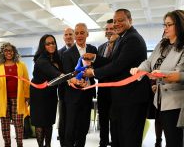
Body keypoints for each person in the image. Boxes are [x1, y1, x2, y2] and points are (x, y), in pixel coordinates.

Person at [83, 9, 151, 147]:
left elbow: (118, 66)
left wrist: (94, 72)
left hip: (131, 98)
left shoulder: (132, 39)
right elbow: (113, 62)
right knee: (119, 137)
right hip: (122, 98)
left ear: (130, 21)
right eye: (115, 21)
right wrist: (95, 58)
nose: (117, 23)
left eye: (121, 20)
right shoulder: (123, 38)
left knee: (129, 138)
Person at [130, 10, 184, 147]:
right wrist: (139, 70)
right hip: (160, 101)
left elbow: (180, 74)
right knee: (167, 138)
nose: (165, 28)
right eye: (164, 24)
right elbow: (149, 62)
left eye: (169, 25)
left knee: (174, 141)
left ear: (180, 25)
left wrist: (162, 74)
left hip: (176, 103)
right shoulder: (162, 44)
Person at [62, 23, 97, 147]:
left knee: (83, 128)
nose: (79, 35)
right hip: (72, 96)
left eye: (82, 33)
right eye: (77, 33)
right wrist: (74, 80)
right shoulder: (67, 53)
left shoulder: (93, 50)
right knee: (70, 129)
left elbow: (97, 69)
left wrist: (91, 74)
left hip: (87, 95)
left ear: (87, 34)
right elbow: (67, 74)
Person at [0, 42, 30, 147]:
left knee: (19, 125)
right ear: (3, 53)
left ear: (14, 52)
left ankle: (19, 144)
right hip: (3, 100)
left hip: (18, 99)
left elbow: (26, 81)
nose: (9, 52)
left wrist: (27, 96)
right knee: (5, 125)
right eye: (6, 50)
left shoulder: (21, 66)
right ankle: (7, 144)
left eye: (11, 50)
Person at [30, 34, 63, 147]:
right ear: (43, 46)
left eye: (53, 43)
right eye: (48, 43)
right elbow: (53, 72)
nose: (51, 45)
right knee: (40, 122)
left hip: (51, 94)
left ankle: (48, 145)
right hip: (39, 95)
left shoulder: (56, 58)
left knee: (49, 121)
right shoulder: (41, 60)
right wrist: (62, 75)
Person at [97, 19, 119, 147]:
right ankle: (103, 142)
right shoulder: (101, 48)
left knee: (115, 119)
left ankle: (115, 142)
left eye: (111, 28)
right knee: (103, 119)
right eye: (106, 29)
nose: (109, 31)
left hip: (116, 89)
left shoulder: (120, 45)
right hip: (102, 89)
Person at [57, 27, 74, 147]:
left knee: (75, 122)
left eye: (70, 34)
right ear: (63, 37)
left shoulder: (80, 51)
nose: (68, 36)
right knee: (63, 121)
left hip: (79, 91)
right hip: (64, 92)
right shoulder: (59, 53)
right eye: (66, 34)